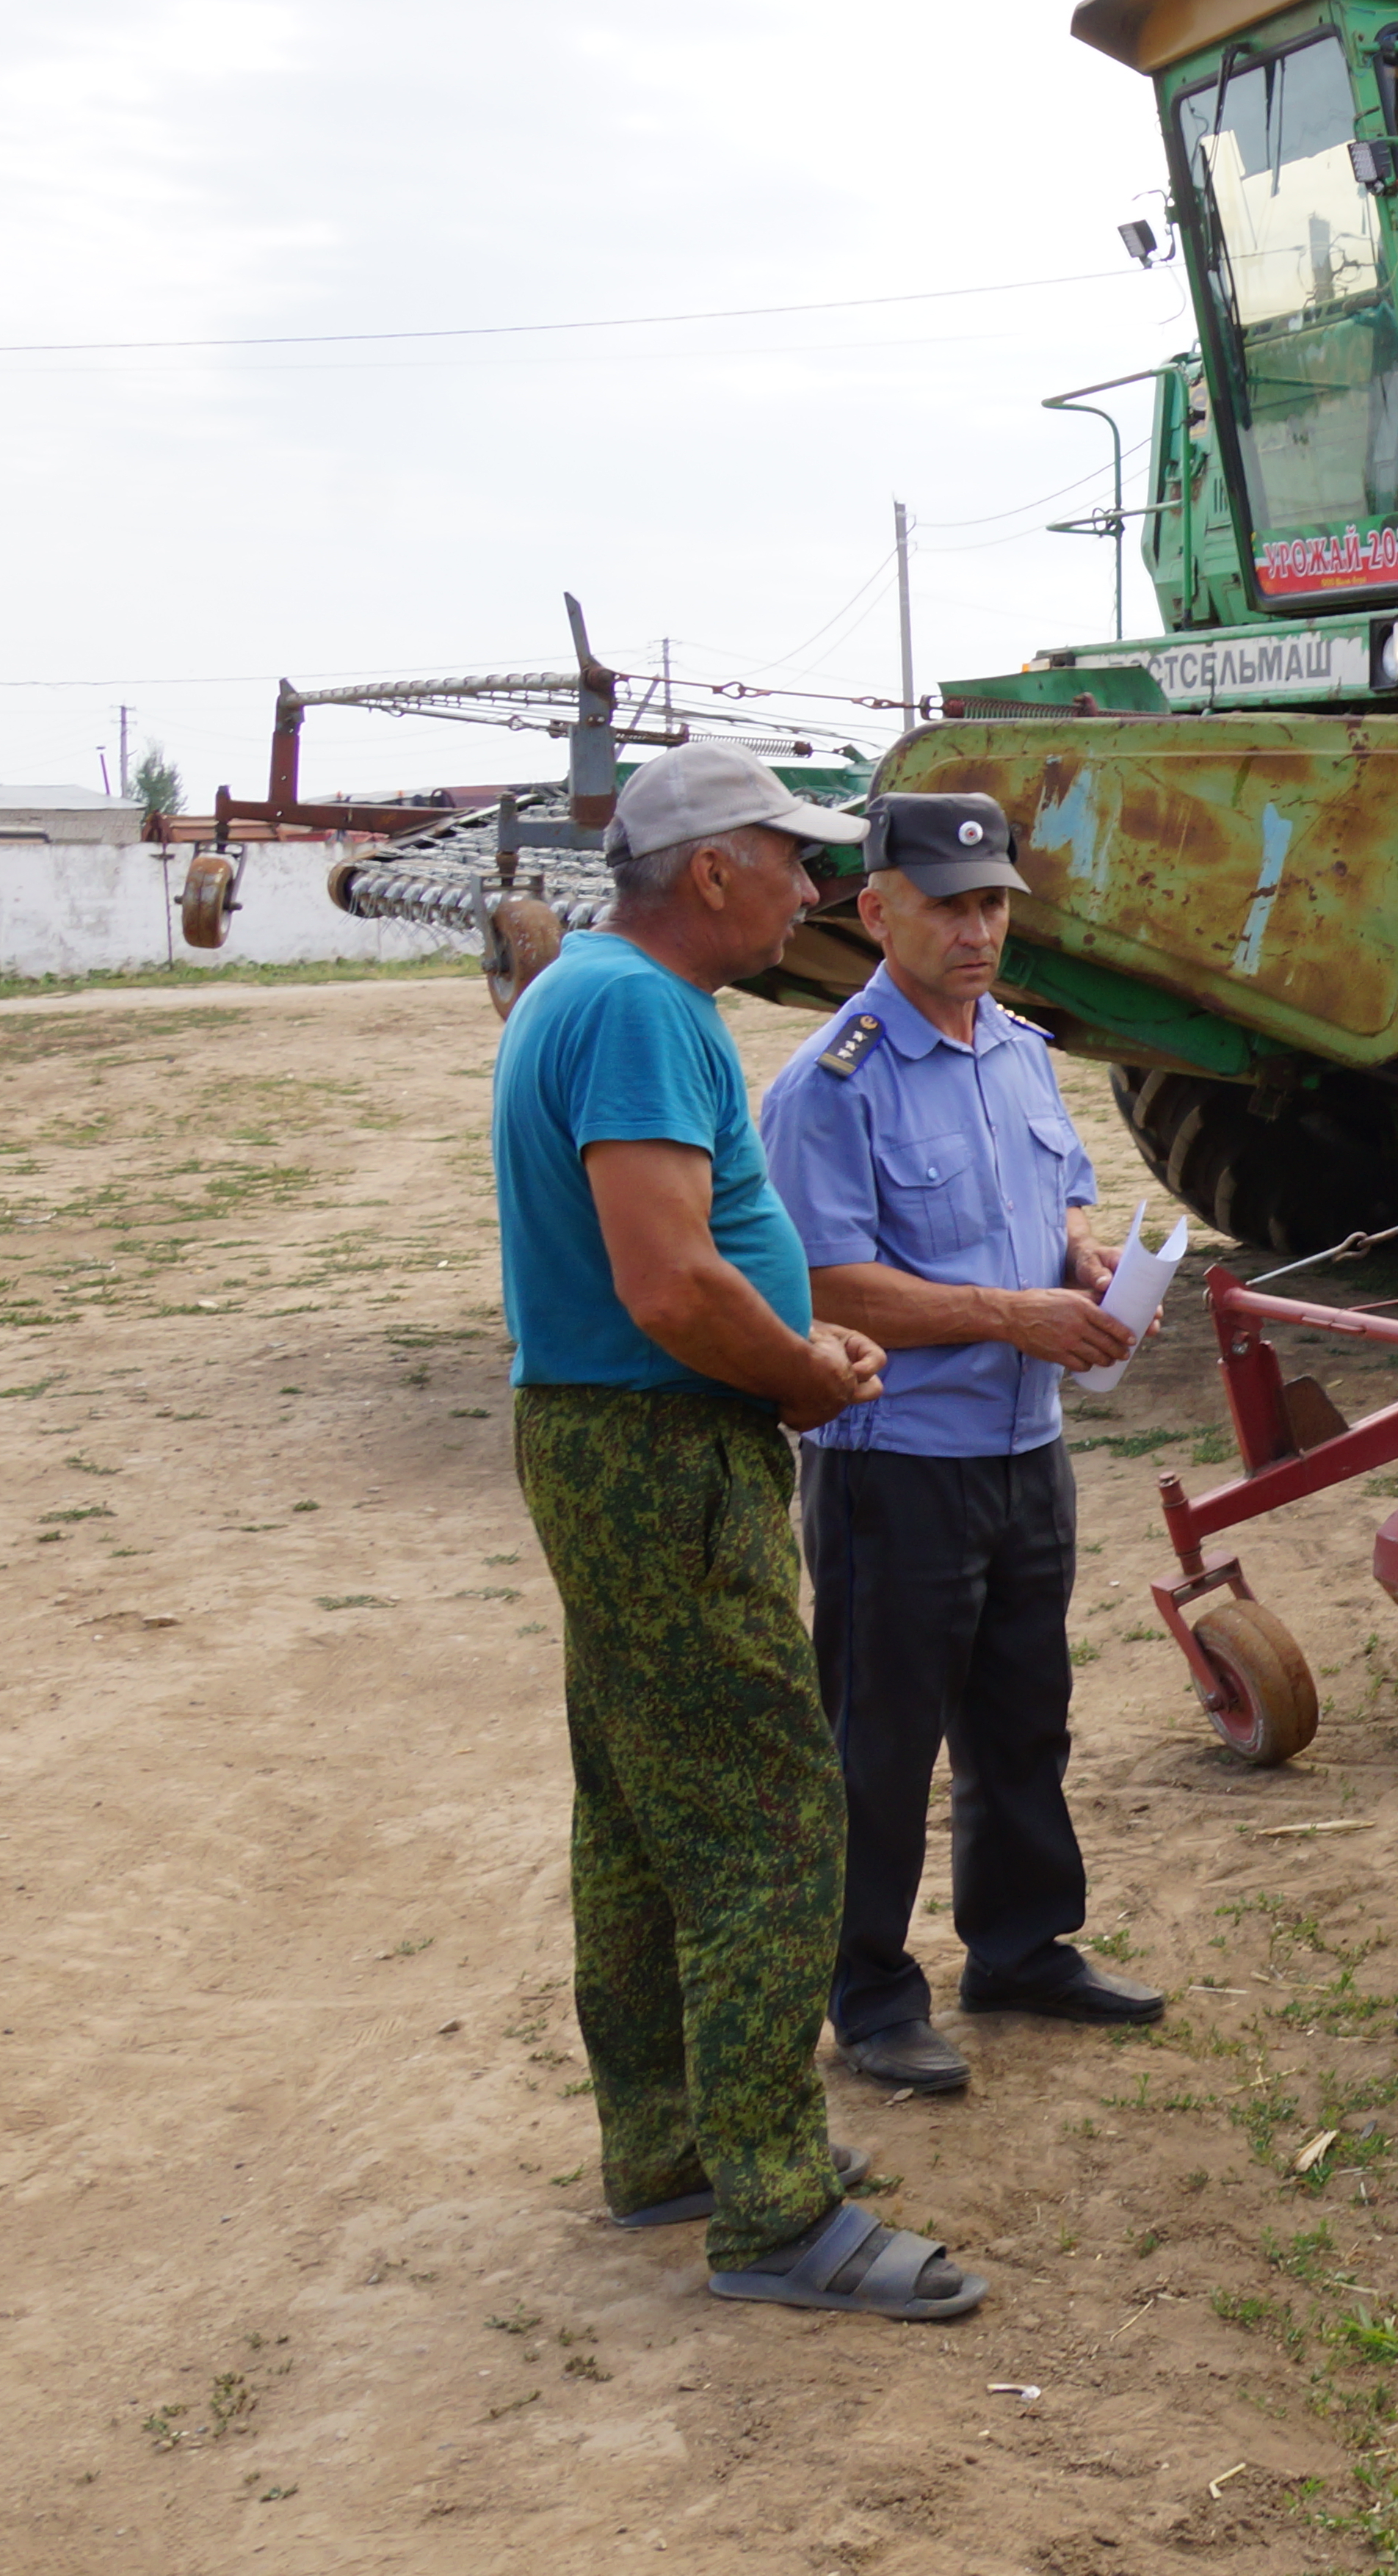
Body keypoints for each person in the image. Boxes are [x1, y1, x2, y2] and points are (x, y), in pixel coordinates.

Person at [491, 739, 986, 2322]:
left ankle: (673, 2140)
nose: (816, 883)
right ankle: (775, 2210)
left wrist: (773, 1352)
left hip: (605, 1434)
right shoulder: (639, 1008)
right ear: (711, 869)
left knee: (637, 1808)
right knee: (770, 1814)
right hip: (660, 1444)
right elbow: (670, 1279)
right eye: (793, 855)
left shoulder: (581, 988)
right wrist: (804, 1370)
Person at [759, 793, 1162, 2102]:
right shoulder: (834, 1082)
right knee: (881, 1739)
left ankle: (1023, 1946)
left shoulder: (1022, 1054)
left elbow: (1055, 1204)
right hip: (898, 1462)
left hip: (1023, 1444)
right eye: (950, 904)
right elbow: (825, 1283)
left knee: (1022, 1714)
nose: (979, 928)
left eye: (993, 903)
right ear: (878, 911)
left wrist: (1084, 1259)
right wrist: (1014, 1314)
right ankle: (869, 1990)